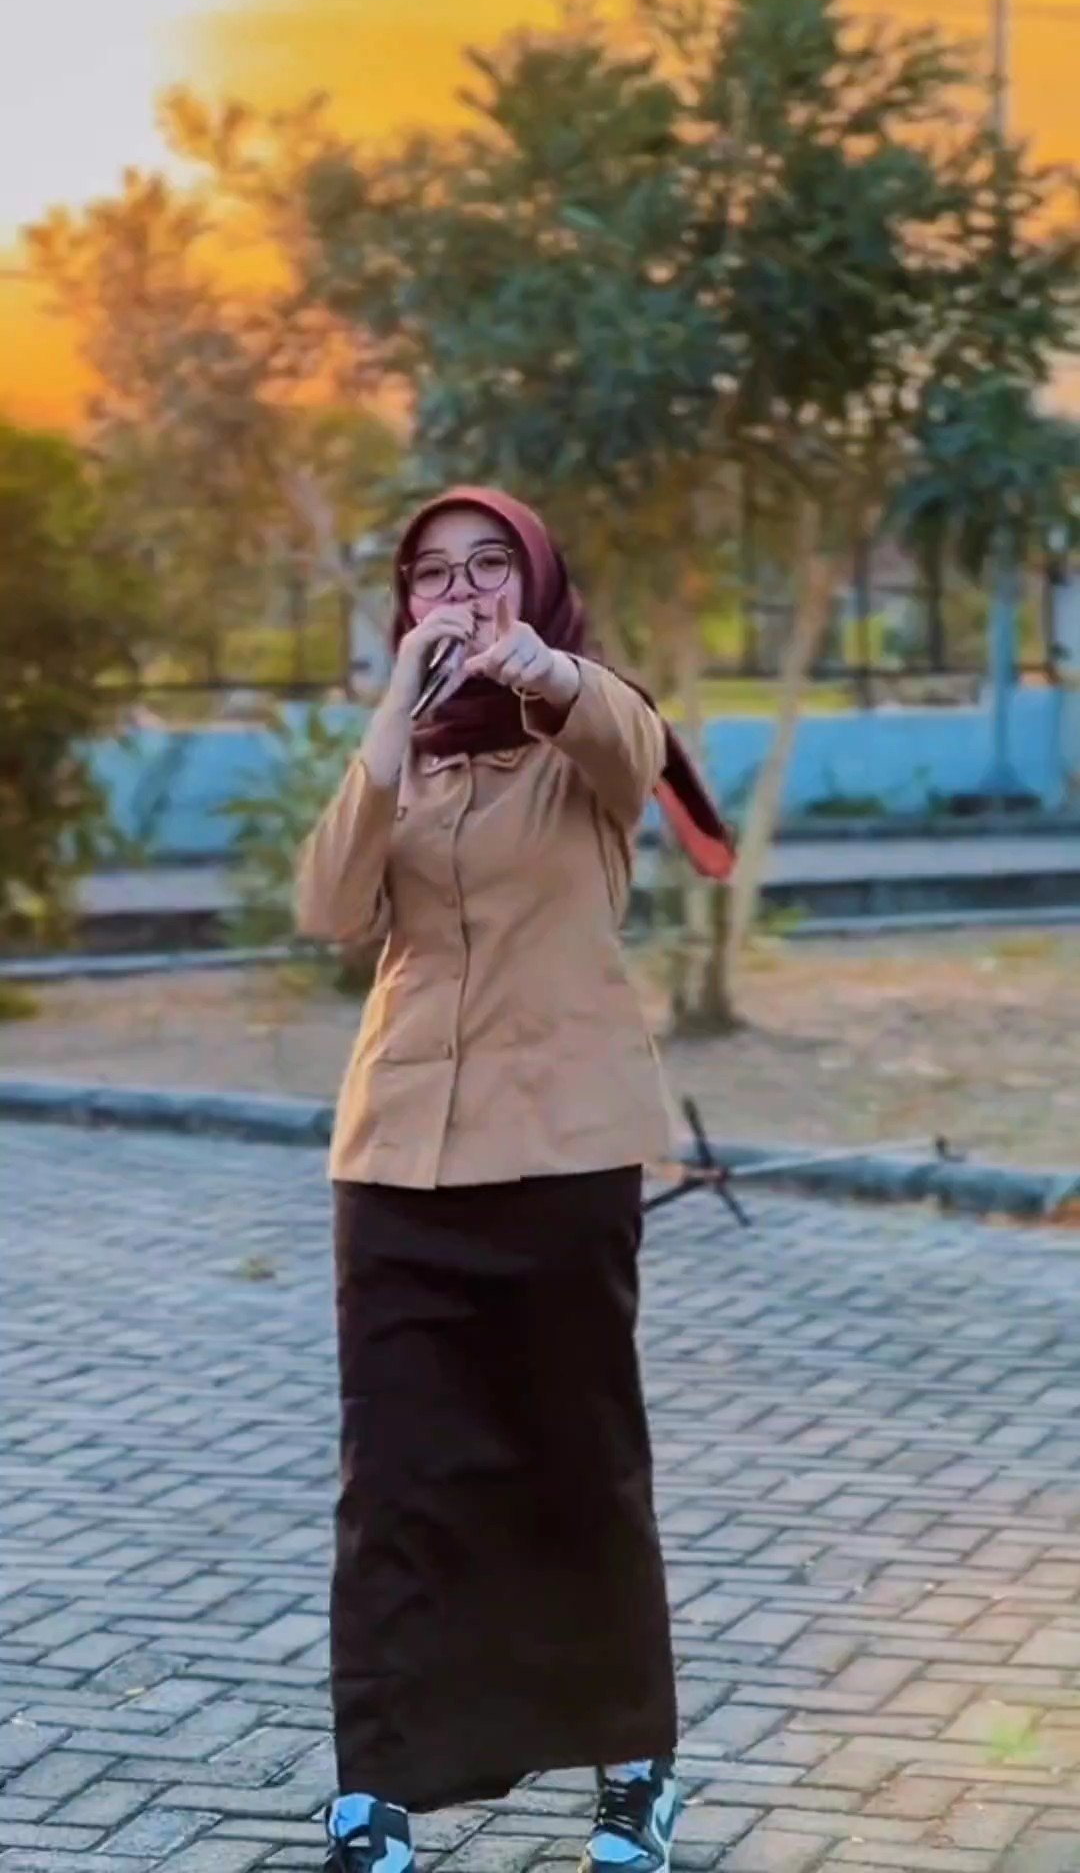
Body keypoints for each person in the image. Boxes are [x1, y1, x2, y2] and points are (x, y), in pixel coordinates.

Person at [295, 488, 734, 1873]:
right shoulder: (405, 761)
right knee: (393, 1482)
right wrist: (391, 714)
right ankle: (376, 1788)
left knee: (579, 1467)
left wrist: (538, 668)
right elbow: (327, 909)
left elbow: (632, 747)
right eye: (434, 574)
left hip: (561, 1156)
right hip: (399, 1160)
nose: (464, 592)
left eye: (492, 566)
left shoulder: (587, 734)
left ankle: (635, 1772)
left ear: (537, 584)